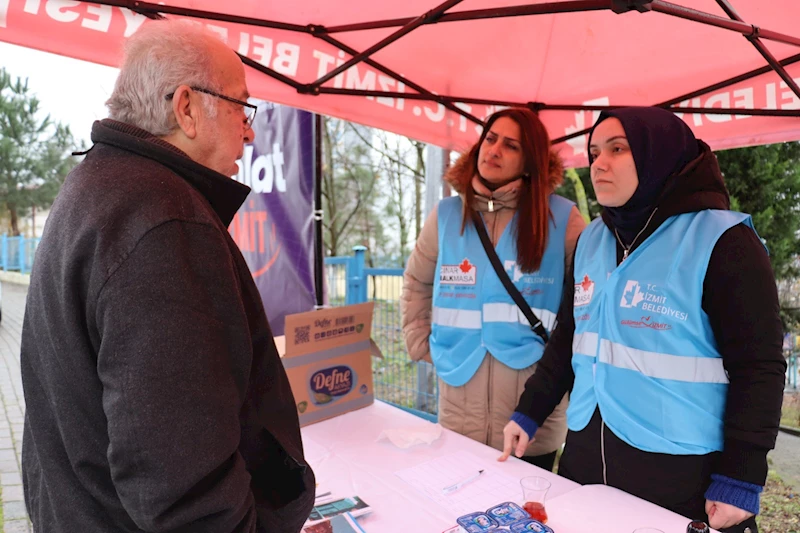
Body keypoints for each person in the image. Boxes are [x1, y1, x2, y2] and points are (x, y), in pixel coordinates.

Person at [20, 19, 314, 533]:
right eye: (242, 107)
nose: (249, 130)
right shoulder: (164, 220)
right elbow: (184, 490)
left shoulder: (97, 186)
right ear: (186, 108)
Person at [499, 107, 787, 533]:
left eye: (618, 149)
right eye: (594, 151)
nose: (599, 163)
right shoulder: (591, 239)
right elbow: (569, 339)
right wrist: (529, 411)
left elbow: (759, 367)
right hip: (584, 462)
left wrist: (741, 477)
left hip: (681, 476)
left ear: (660, 157)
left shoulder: (723, 241)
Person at [401, 108, 586, 471]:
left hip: (530, 413)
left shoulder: (563, 220)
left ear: (530, 159)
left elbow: (587, 305)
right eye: (490, 139)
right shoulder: (447, 215)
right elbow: (416, 283)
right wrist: (421, 342)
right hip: (457, 403)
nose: (494, 150)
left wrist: (564, 370)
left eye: (510, 145)